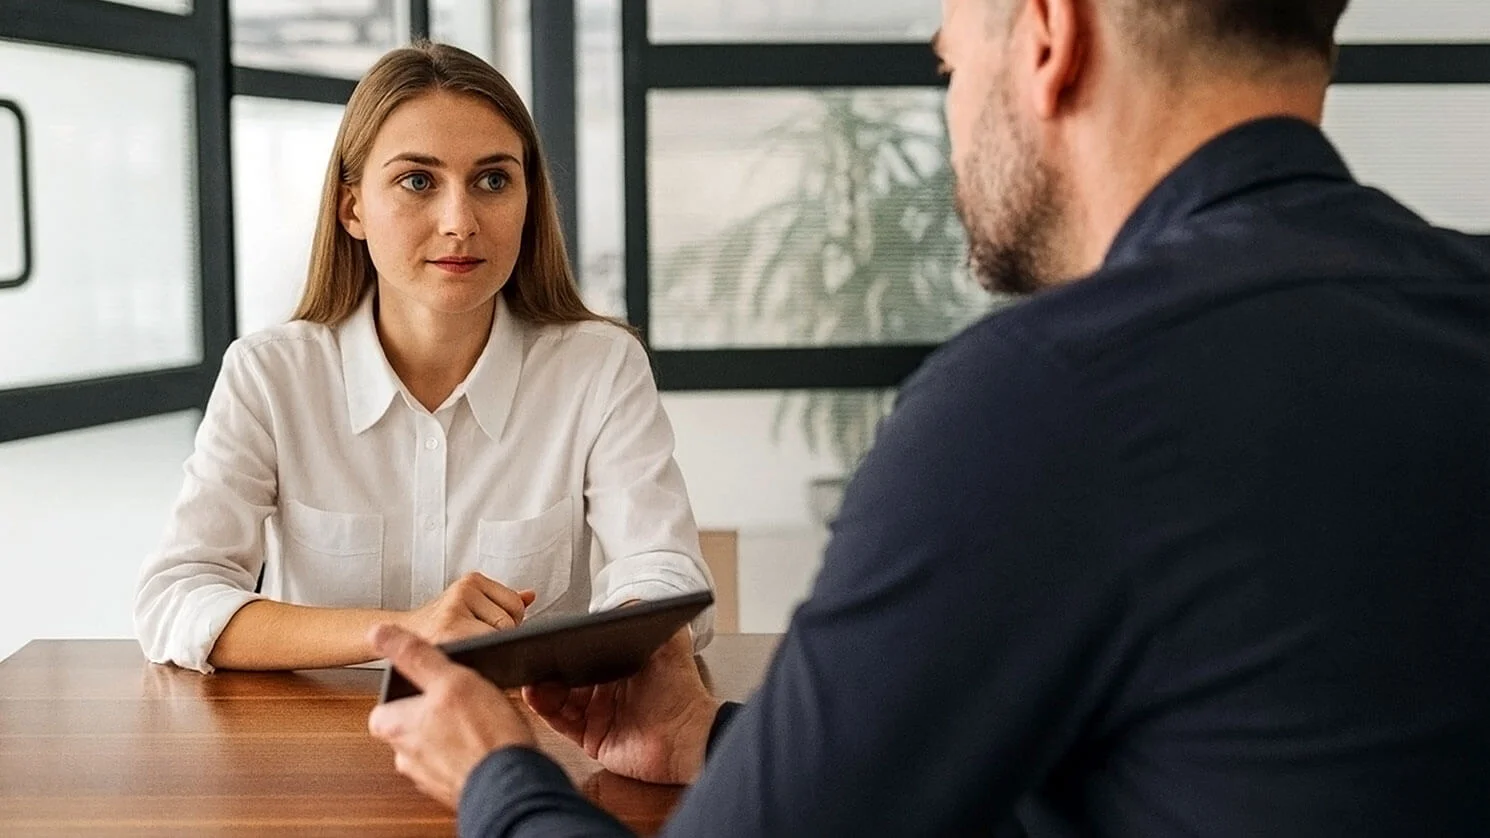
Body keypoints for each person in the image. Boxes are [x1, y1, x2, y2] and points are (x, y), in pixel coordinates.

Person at [367, 0, 1490, 835]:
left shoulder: (1046, 396)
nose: (951, 117)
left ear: (1047, 40)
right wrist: (712, 739)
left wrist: (497, 777)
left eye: (951, 63)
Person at [134, 42, 714, 674]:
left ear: (529, 199)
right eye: (418, 181)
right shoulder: (270, 376)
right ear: (352, 207)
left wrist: (639, 622)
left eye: (493, 180)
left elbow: (666, 577)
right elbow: (176, 598)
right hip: (323, 752)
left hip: (521, 747)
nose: (459, 221)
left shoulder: (600, 369)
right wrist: (407, 631)